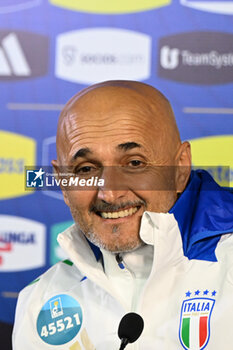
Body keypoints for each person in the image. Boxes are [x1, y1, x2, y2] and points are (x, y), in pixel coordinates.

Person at [13, 81, 233, 350]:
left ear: (180, 168)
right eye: (85, 169)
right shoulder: (41, 302)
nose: (110, 193)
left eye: (134, 163)